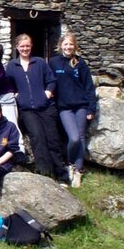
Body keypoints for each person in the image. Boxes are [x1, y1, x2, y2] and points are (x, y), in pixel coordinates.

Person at [6, 34, 70, 184]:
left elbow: (51, 80)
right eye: (22, 46)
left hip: (46, 107)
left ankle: (62, 176)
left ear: (31, 46)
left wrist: (47, 93)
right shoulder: (12, 66)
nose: (25, 49)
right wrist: (17, 96)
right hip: (27, 110)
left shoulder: (40, 62)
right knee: (38, 138)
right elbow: (8, 84)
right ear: (17, 47)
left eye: (27, 46)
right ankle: (45, 176)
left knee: (53, 140)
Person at [49, 32, 97, 188]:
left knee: (81, 138)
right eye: (66, 44)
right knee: (74, 138)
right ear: (61, 46)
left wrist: (91, 108)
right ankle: (70, 163)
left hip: (81, 106)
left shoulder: (80, 63)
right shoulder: (54, 62)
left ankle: (78, 170)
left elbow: (89, 87)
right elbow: (50, 82)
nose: (68, 47)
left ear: (74, 46)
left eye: (71, 44)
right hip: (64, 107)